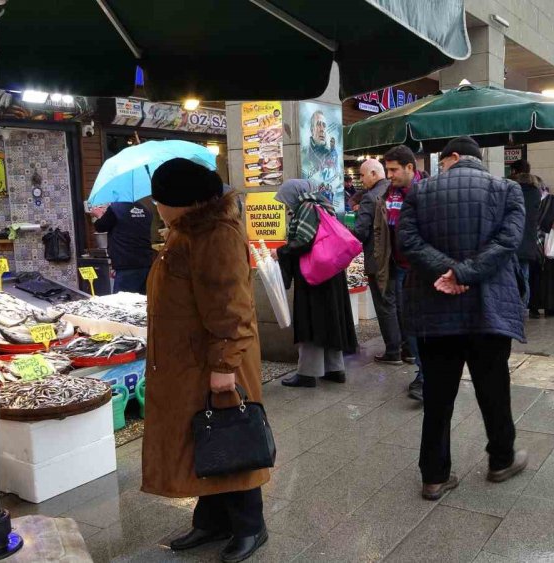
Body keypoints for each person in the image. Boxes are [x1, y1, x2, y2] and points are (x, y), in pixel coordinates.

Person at [142, 158, 269, 563]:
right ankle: (212, 520)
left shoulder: (216, 236)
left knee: (231, 438)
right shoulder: (189, 232)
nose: (156, 207)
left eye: (160, 201)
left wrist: (224, 368)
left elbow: (234, 310)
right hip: (189, 363)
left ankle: (251, 526)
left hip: (213, 364)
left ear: (182, 203)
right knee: (203, 442)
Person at [397, 136, 529, 500]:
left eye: (442, 162)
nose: (441, 168)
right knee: (494, 390)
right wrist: (466, 273)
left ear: (452, 158)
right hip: (489, 311)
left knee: (438, 397)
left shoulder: (419, 193)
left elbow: (406, 240)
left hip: (435, 310)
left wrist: (449, 272)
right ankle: (501, 459)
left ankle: (435, 476)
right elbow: (507, 242)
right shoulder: (507, 190)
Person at [274, 179, 358, 388]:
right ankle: (335, 368)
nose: (286, 205)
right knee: (330, 319)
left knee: (310, 320)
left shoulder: (305, 208)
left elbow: (303, 241)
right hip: (330, 273)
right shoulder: (321, 204)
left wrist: (281, 251)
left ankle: (307, 373)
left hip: (314, 275)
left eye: (285, 200)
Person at [383, 145, 425, 400]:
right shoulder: (390, 192)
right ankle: (421, 368)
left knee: (421, 323)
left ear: (410, 167)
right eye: (387, 169)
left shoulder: (427, 191)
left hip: (422, 269)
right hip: (399, 267)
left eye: (393, 169)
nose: (389, 174)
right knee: (408, 321)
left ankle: (424, 374)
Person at [350, 159, 401, 365]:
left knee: (384, 304)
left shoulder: (371, 198)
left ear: (373, 173)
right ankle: (406, 348)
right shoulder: (395, 191)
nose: (361, 180)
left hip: (378, 259)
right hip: (398, 258)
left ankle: (393, 350)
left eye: (362, 175)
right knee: (397, 302)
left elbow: (361, 232)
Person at [91, 200, 154, 294]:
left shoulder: (115, 208)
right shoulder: (145, 209)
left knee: (122, 303)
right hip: (146, 263)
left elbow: (100, 227)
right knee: (142, 302)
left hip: (126, 265)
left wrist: (99, 215)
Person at [509, 159, 543, 309]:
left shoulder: (510, 188)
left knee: (509, 278)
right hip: (529, 239)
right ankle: (522, 310)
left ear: (514, 172)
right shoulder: (536, 190)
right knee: (524, 275)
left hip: (510, 239)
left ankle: (512, 308)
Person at [528, 194, 554, 318]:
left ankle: (551, 307)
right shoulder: (530, 199)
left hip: (551, 243)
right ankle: (533, 307)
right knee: (534, 276)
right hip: (534, 244)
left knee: (552, 276)